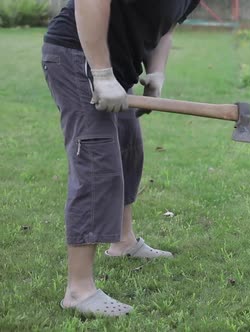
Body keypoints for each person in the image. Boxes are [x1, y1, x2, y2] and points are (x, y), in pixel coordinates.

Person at [41, 0, 200, 317]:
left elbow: (166, 26)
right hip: (77, 54)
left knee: (128, 150)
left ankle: (123, 242)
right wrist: (100, 73)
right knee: (97, 161)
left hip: (120, 67)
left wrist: (156, 72)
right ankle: (78, 289)